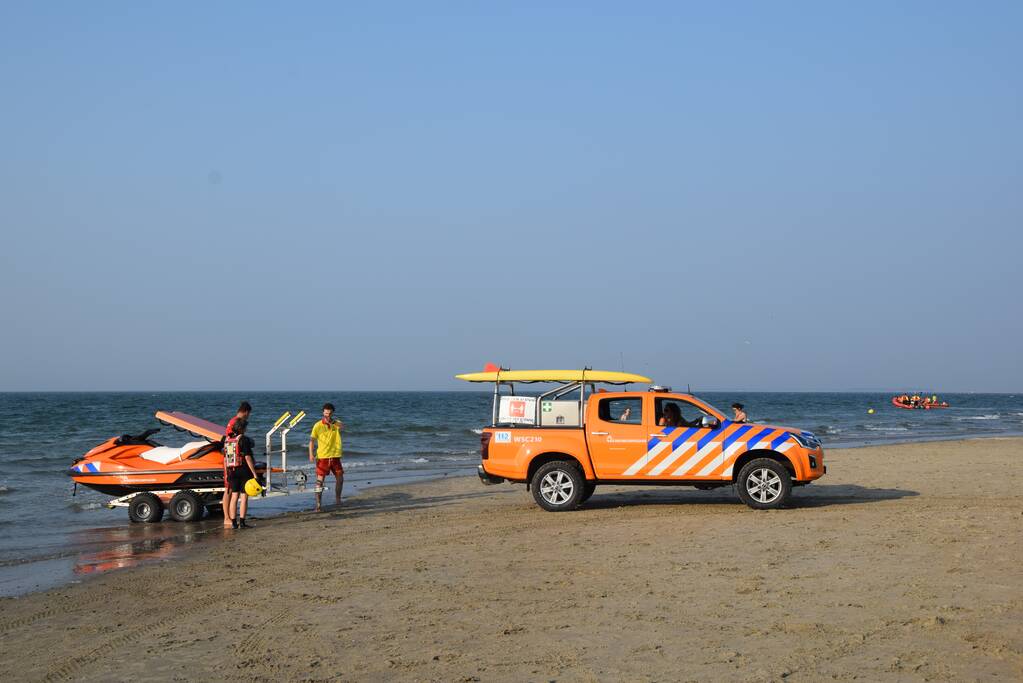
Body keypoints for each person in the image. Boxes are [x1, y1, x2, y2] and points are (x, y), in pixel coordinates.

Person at [224, 419, 259, 529]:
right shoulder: (243, 440)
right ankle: (242, 522)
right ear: (242, 428)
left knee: (234, 497)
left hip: (232, 471)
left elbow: (225, 459)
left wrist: (227, 474)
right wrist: (254, 474)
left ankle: (234, 522)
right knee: (244, 497)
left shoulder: (228, 440)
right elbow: (247, 457)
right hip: (243, 471)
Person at [309, 402, 344, 512]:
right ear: (323, 412)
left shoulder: (336, 423)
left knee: (340, 479)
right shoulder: (317, 425)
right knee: (320, 481)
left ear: (332, 413)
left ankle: (338, 500)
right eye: (325, 413)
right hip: (323, 457)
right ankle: (318, 504)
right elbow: (312, 441)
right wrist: (311, 453)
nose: (327, 415)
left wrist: (333, 422)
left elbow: (343, 427)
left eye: (329, 413)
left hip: (335, 455)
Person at [222, 400, 252, 524]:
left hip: (230, 461)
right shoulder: (235, 422)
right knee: (229, 490)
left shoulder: (233, 421)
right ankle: (227, 518)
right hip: (232, 462)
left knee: (232, 491)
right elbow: (230, 442)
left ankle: (231, 518)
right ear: (245, 412)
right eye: (248, 414)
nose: (248, 417)